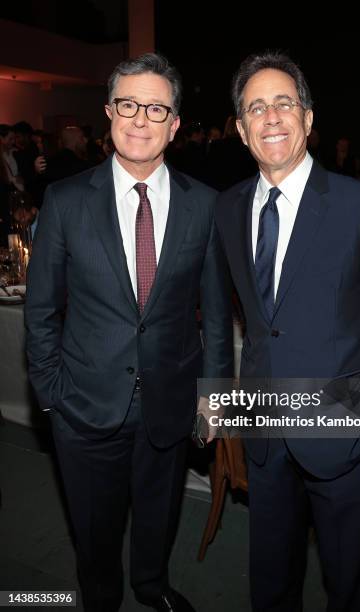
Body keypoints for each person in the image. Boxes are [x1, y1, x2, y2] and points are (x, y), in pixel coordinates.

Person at [214, 51, 360, 612]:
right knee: (270, 580)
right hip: (264, 431)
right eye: (256, 108)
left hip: (344, 437)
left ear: (309, 117)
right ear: (241, 130)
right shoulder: (230, 209)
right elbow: (247, 323)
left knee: (348, 586)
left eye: (284, 102)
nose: (271, 117)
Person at [25, 52, 233, 612]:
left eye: (156, 108)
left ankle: (151, 584)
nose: (141, 119)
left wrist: (214, 398)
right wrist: (51, 395)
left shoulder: (207, 206)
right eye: (128, 104)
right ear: (109, 112)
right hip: (83, 405)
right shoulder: (65, 201)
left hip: (169, 401)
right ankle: (101, 597)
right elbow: (41, 310)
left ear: (175, 124)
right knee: (93, 529)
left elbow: (215, 316)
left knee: (160, 515)